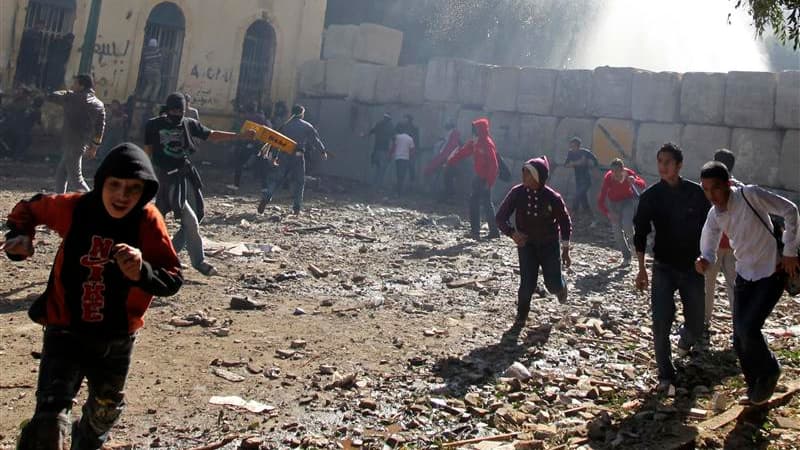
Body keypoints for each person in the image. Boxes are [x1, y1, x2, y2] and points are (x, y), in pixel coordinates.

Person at [5, 143, 183, 449]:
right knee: (50, 416)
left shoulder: (148, 221)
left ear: (145, 191)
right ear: (101, 182)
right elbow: (28, 209)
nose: (122, 196)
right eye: (115, 185)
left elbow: (173, 278)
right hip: (65, 329)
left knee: (103, 414)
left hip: (116, 338)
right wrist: (20, 238)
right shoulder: (75, 208)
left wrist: (142, 271)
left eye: (133, 188)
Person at [696, 161, 799, 405]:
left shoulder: (750, 195)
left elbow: (791, 210)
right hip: (744, 274)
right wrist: (705, 259)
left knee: (749, 330)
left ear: (728, 185)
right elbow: (708, 242)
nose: (712, 195)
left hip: (772, 271)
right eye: (706, 190)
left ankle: (771, 370)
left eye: (716, 188)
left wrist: (790, 251)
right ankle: (755, 386)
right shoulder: (714, 214)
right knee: (739, 337)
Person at [144, 92, 254, 276]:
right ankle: (198, 262)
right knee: (189, 220)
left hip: (185, 174)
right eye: (174, 110)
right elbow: (148, 151)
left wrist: (240, 136)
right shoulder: (154, 124)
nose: (177, 113)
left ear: (184, 109)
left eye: (180, 110)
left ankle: (169, 253)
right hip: (167, 179)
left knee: (198, 214)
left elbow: (212, 135)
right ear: (168, 109)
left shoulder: (188, 123)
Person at [633, 143, 711, 393]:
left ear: (679, 165)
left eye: (668, 162)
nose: (663, 166)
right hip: (663, 267)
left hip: (692, 267)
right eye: (660, 161)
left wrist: (707, 256)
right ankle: (665, 373)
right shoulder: (651, 196)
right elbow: (641, 232)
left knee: (697, 322)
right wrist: (641, 268)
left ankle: (685, 339)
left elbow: (711, 226)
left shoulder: (696, 194)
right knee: (660, 321)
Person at [496, 156, 572, 328]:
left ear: (538, 177)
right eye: (523, 172)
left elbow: (565, 222)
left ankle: (561, 286)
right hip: (527, 245)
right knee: (527, 283)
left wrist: (566, 248)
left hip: (549, 245)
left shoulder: (553, 197)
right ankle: (521, 317)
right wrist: (512, 233)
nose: (524, 176)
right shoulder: (517, 192)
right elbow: (500, 217)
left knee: (552, 285)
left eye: (528, 173)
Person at [258, 104, 328, 215]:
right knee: (299, 182)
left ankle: (266, 197)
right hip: (298, 157)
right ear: (302, 114)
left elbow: (277, 142)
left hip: (284, 155)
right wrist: (322, 151)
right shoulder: (307, 126)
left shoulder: (285, 125)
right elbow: (315, 140)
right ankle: (297, 207)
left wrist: (275, 157)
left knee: (276, 180)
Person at [702, 149, 741, 329]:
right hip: (735, 245)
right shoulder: (740, 188)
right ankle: (738, 325)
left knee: (707, 285)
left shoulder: (708, 187)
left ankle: (704, 321)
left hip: (713, 246)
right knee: (734, 287)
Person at [49, 74, 106, 193]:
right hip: (82, 143)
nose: (72, 86)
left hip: (71, 142)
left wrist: (68, 92)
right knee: (61, 174)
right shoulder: (99, 104)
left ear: (81, 86)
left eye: (74, 84)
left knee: (76, 179)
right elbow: (100, 128)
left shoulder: (72, 98)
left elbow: (53, 95)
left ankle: (93, 203)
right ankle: (60, 200)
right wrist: (94, 147)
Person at [447, 118, 499, 240]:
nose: (473, 131)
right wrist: (451, 161)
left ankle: (478, 232)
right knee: (484, 203)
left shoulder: (487, 143)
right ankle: (492, 232)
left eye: (475, 129)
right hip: (479, 177)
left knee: (478, 203)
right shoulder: (476, 142)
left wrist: (489, 182)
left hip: (484, 179)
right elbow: (464, 152)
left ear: (480, 130)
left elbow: (494, 165)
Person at [597, 158, 646, 264]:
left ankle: (633, 245)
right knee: (617, 232)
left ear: (622, 170)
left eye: (617, 172)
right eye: (613, 171)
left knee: (627, 224)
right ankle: (626, 256)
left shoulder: (628, 173)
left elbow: (642, 184)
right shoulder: (608, 177)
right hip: (613, 205)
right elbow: (600, 200)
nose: (615, 174)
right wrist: (608, 213)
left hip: (627, 201)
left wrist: (635, 181)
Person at [228, 101, 269, 190]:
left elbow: (241, 131)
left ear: (246, 109)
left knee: (239, 163)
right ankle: (265, 187)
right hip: (259, 144)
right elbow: (267, 129)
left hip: (248, 143)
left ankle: (236, 185)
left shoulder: (245, 118)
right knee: (262, 165)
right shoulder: (262, 118)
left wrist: (236, 143)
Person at [424, 121, 461, 200]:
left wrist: (445, 160)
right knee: (448, 179)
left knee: (448, 179)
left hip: (448, 161)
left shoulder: (452, 138)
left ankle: (449, 196)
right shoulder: (451, 139)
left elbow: (448, 150)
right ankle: (448, 195)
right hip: (448, 160)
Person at [564, 137, 598, 220]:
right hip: (578, 180)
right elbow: (566, 164)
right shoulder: (570, 153)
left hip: (586, 180)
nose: (572, 148)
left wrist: (589, 164)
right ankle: (590, 215)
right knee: (583, 198)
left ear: (578, 146)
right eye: (571, 146)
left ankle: (574, 213)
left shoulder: (585, 152)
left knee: (577, 195)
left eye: (573, 146)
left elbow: (595, 161)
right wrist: (577, 163)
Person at [361, 113, 394, 187]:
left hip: (376, 149)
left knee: (377, 166)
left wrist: (364, 135)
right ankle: (378, 185)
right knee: (382, 168)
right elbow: (393, 137)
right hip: (384, 149)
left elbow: (372, 131)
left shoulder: (379, 124)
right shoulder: (390, 126)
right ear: (389, 119)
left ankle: (374, 184)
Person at [390, 128, 415, 194]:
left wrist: (390, 154)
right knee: (402, 175)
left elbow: (394, 146)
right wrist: (411, 158)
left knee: (398, 174)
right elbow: (412, 151)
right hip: (405, 159)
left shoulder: (398, 137)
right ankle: (400, 191)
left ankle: (398, 189)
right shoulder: (410, 139)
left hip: (398, 158)